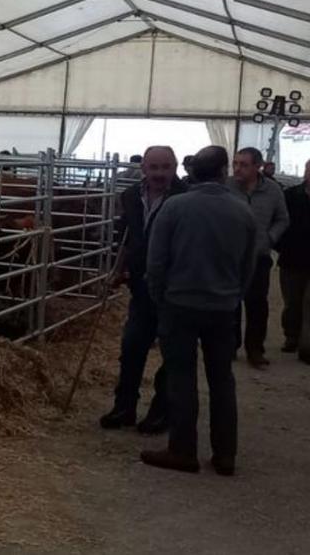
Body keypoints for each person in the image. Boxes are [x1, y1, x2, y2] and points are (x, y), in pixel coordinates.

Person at [143, 145, 255, 475]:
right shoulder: (242, 211)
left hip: (179, 304)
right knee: (222, 379)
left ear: (191, 171)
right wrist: (234, 297)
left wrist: (160, 297)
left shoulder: (175, 207)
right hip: (223, 307)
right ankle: (225, 454)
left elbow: (156, 261)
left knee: (181, 377)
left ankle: (183, 450)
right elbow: (248, 266)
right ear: (223, 172)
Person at [101, 146, 186, 434]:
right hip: (140, 284)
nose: (160, 173)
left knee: (172, 352)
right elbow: (126, 237)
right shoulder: (130, 197)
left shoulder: (185, 197)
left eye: (166, 167)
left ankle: (161, 410)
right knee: (132, 346)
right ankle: (124, 406)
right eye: (154, 167)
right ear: (144, 169)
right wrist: (117, 270)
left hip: (174, 289)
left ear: (175, 167)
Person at [228, 147, 290, 368]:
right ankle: (230, 346)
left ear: (258, 167)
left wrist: (269, 239)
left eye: (244, 165)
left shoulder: (273, 190)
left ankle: (255, 349)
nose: (237, 169)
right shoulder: (226, 187)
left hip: (258, 257)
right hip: (230, 256)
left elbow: (282, 219)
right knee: (229, 303)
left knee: (257, 305)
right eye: (235, 163)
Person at [275, 159, 310, 363]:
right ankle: (292, 336)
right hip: (291, 259)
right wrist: (280, 246)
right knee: (292, 303)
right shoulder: (289, 196)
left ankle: (306, 345)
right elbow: (279, 221)